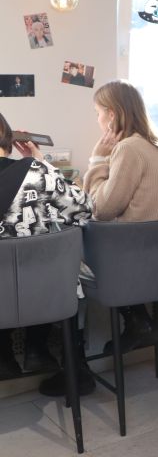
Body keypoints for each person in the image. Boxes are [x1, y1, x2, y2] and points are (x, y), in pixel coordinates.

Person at [84, 80, 158, 356]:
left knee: (74, 255)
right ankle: (139, 321)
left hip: (133, 263)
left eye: (98, 113)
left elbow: (101, 209)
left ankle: (79, 356)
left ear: (112, 115)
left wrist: (97, 160)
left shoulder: (128, 149)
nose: (98, 120)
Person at [0, 113, 92, 380]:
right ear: (8, 138)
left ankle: (4, 357)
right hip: (44, 295)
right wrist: (40, 160)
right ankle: (37, 348)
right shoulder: (36, 172)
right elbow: (84, 208)